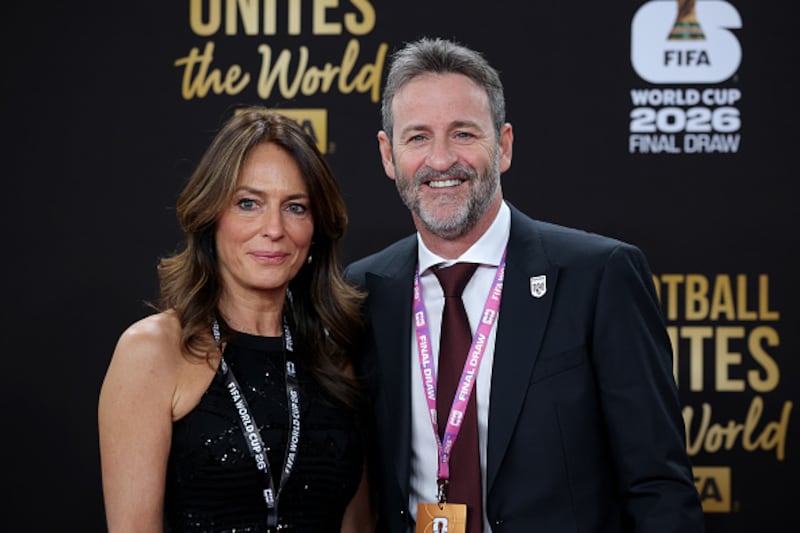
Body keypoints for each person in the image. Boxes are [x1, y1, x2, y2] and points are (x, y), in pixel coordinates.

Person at [345, 37, 705, 532]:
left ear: (504, 145)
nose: (442, 160)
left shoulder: (599, 277)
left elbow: (658, 489)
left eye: (464, 133)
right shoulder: (362, 292)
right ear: (388, 155)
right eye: (418, 137)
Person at [98, 108, 374, 532]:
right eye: (249, 204)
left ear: (316, 229)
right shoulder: (151, 352)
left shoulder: (334, 354)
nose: (274, 228)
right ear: (211, 216)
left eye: (295, 207)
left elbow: (358, 525)